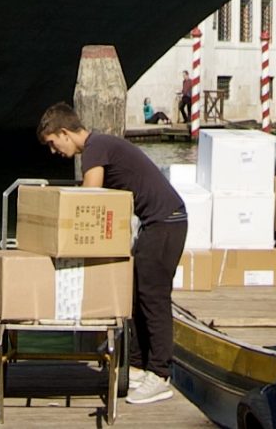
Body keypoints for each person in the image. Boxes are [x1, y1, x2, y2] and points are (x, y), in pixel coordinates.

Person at [37, 102, 188, 406]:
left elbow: (90, 198)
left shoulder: (95, 147)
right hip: (156, 223)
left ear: (65, 133)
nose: (54, 152)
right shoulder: (101, 146)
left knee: (152, 296)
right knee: (132, 295)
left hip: (165, 222)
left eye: (53, 144)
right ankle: (137, 366)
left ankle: (160, 374)